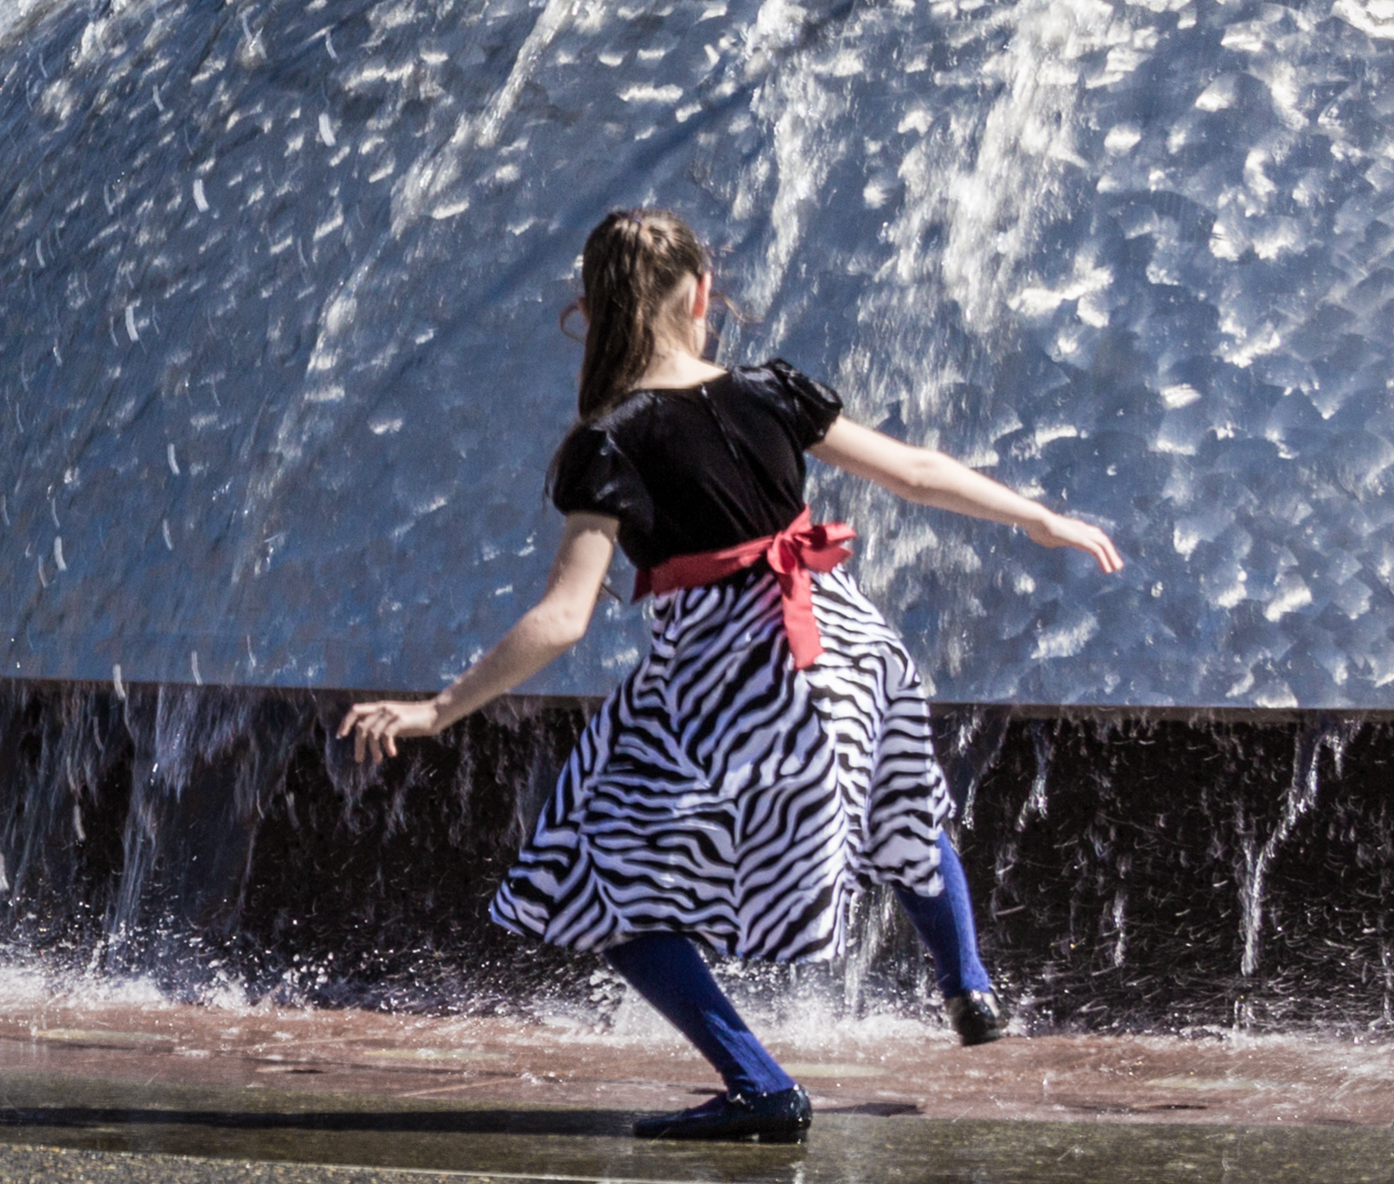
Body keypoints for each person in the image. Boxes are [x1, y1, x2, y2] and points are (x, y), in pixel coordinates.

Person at [340, 209, 1123, 1144]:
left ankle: (760, 1086)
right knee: (899, 799)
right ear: (703, 296)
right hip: (849, 646)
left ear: (590, 314)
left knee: (588, 873)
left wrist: (437, 709)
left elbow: (565, 616)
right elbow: (913, 471)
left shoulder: (609, 441)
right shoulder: (772, 388)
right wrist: (1038, 518)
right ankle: (971, 987)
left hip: (734, 673)